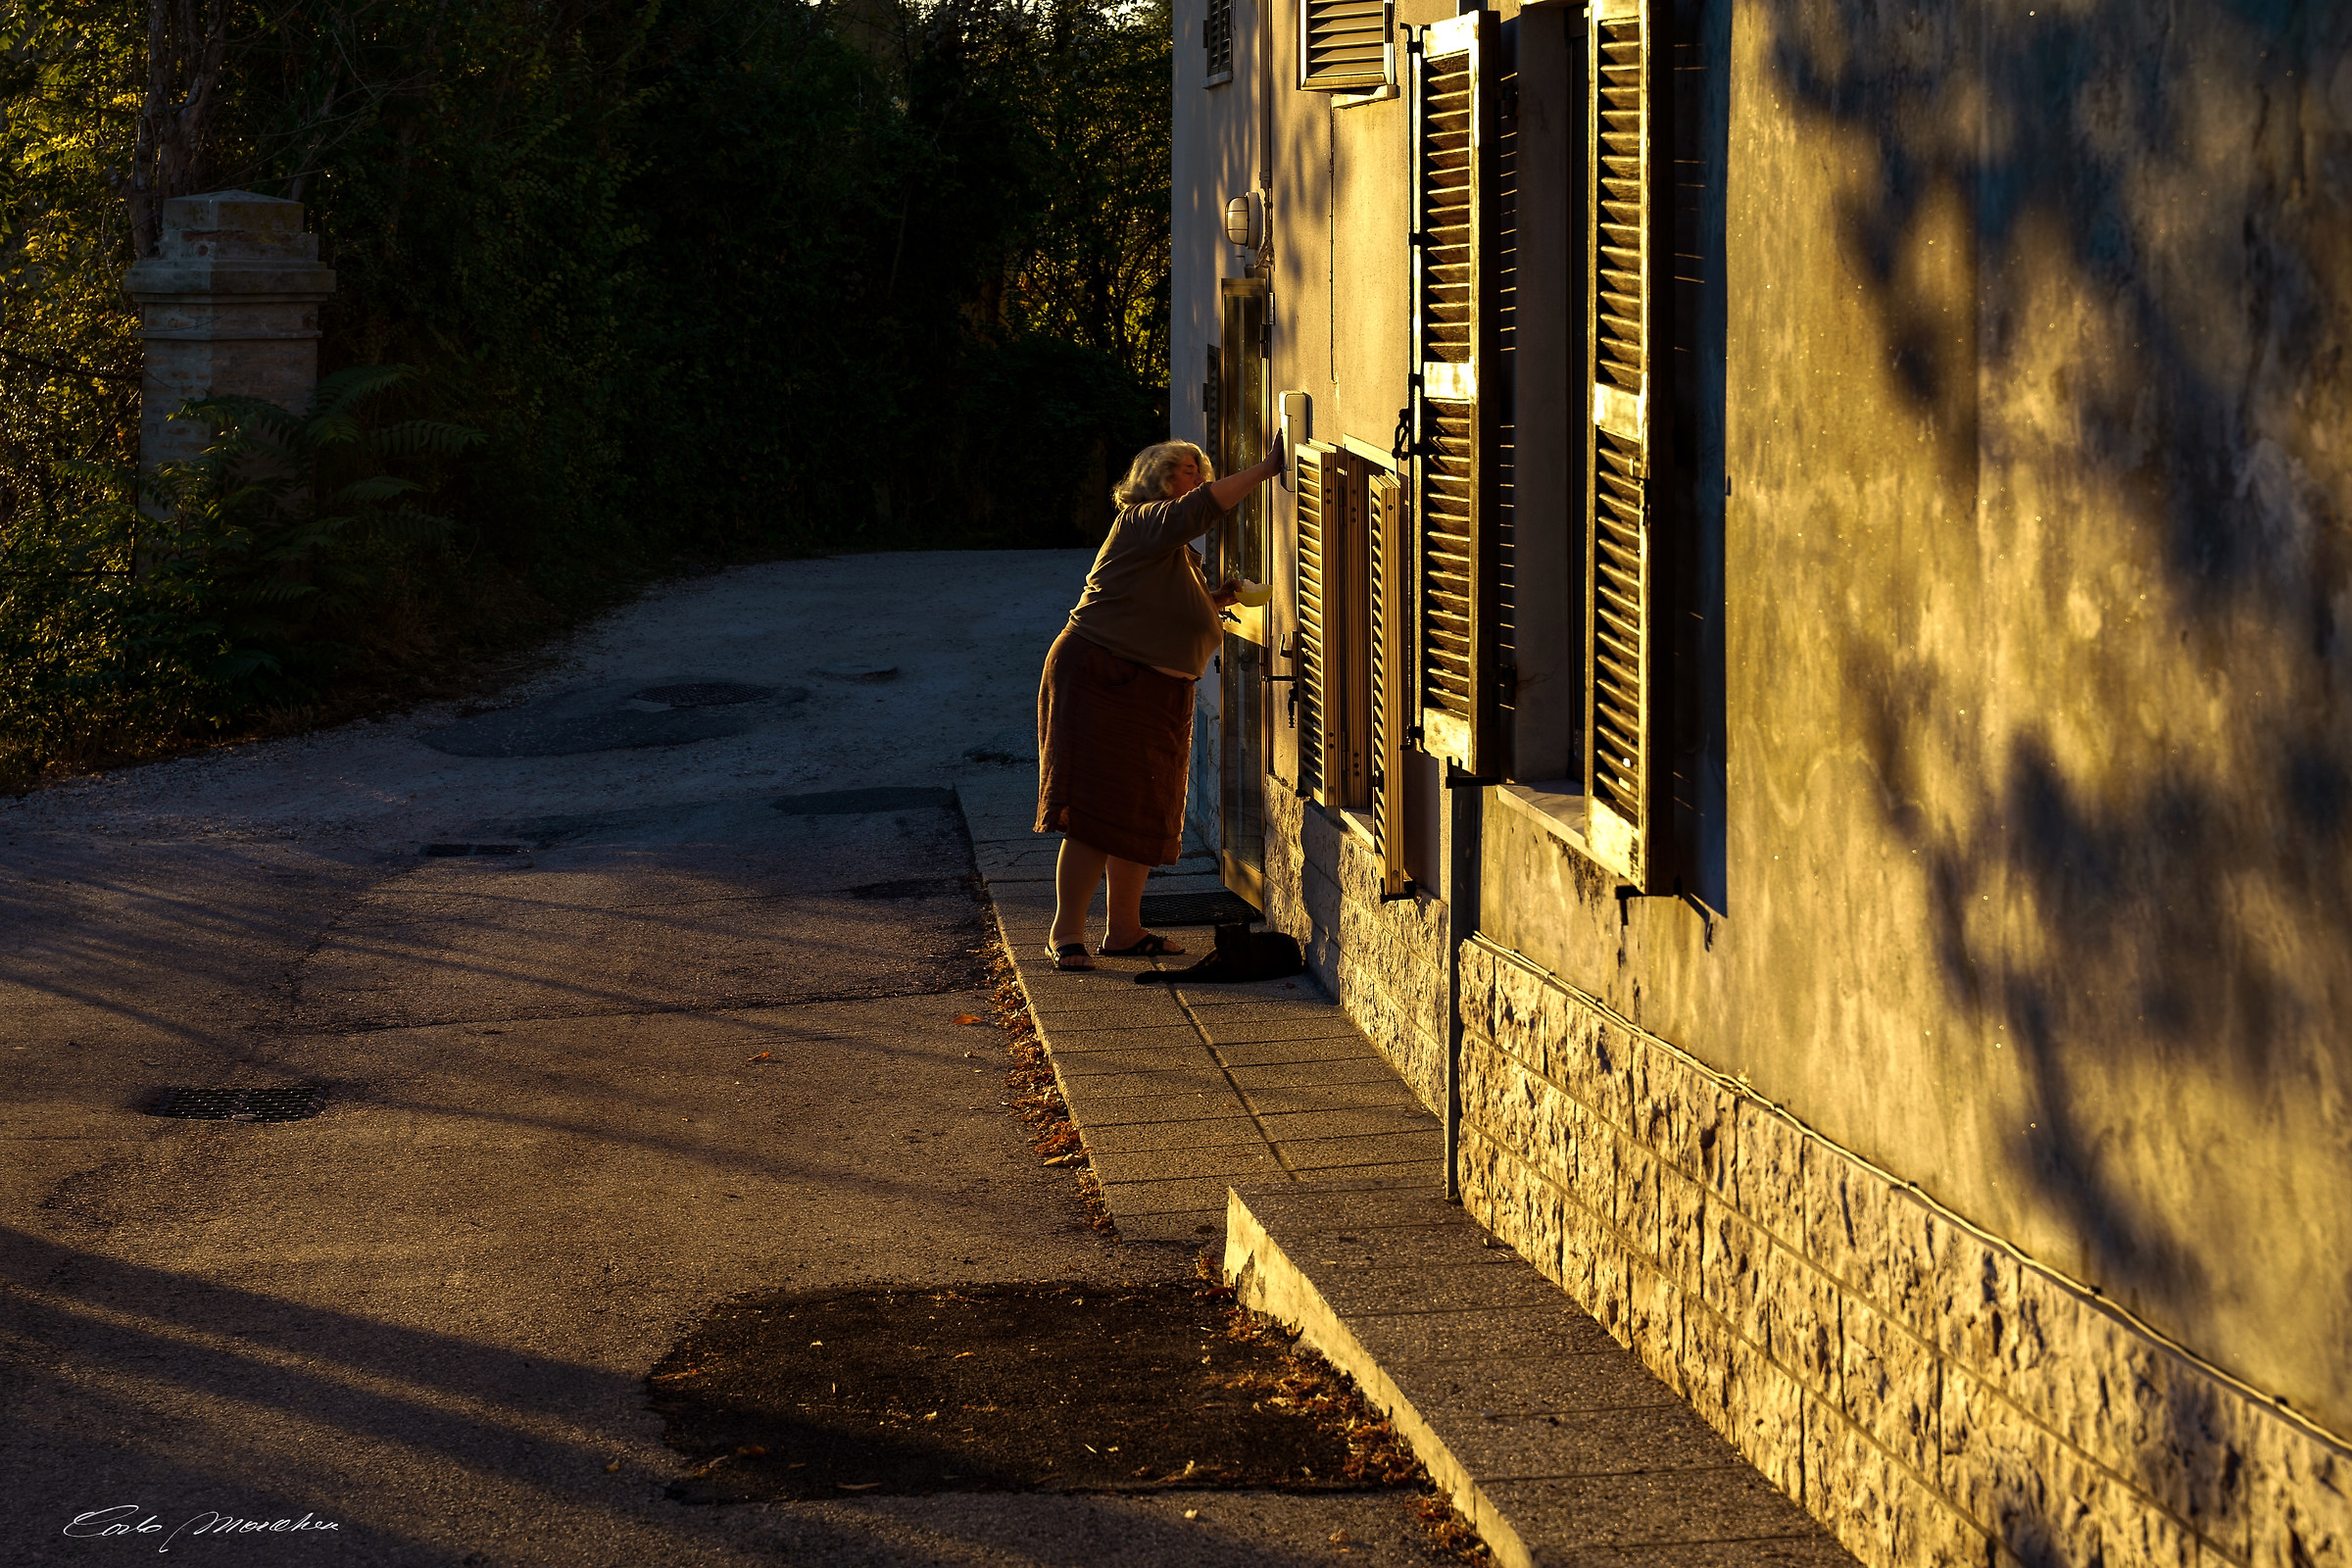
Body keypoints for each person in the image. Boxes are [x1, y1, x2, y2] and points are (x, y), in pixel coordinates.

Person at [1035, 433, 1287, 970]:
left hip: (1153, 689)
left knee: (1141, 813)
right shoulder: (1143, 520)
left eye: (1200, 469)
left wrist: (1215, 600)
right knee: (1098, 811)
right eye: (1184, 470)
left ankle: (1124, 931)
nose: (1196, 478)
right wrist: (1267, 469)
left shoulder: (1171, 553)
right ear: (1156, 477)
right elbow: (1201, 509)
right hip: (1104, 677)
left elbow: (1163, 608)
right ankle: (1066, 933)